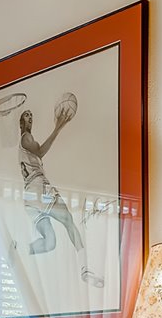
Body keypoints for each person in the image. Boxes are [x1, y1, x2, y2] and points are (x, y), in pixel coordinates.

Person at [13, 95, 103, 289]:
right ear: (21, 123)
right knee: (69, 221)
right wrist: (58, 126)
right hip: (38, 188)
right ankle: (85, 268)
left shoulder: (25, 146)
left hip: (29, 199)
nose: (30, 118)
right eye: (26, 116)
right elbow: (40, 151)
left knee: (50, 242)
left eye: (31, 116)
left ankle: (19, 249)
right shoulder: (26, 138)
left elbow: (38, 152)